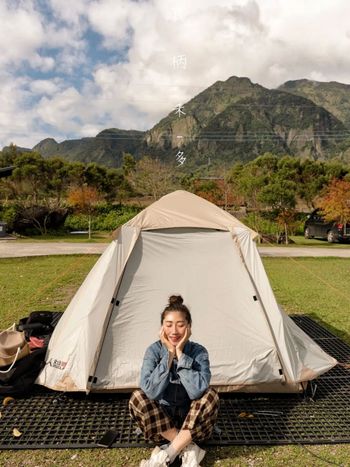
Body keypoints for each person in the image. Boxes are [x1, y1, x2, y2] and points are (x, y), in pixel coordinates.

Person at [129, 295, 219, 467]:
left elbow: (197, 391)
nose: (174, 331)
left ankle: (168, 453)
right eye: (169, 325)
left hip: (193, 426)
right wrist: (169, 355)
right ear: (162, 327)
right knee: (137, 397)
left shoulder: (199, 352)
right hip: (161, 427)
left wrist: (180, 355)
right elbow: (151, 392)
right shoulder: (153, 351)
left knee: (211, 395)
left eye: (180, 325)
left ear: (189, 327)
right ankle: (189, 449)